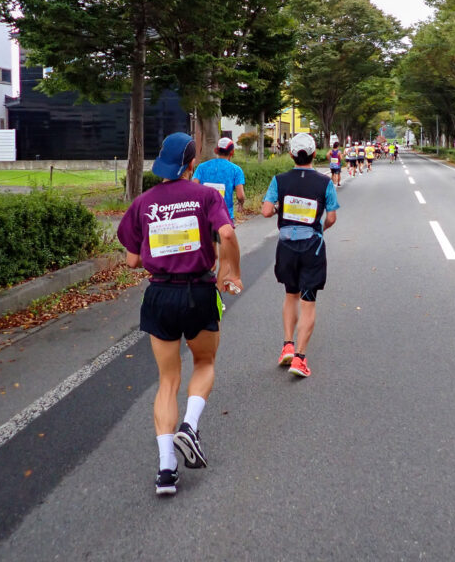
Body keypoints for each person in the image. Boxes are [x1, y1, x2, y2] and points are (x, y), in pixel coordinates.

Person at [117, 132, 243, 496]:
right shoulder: (205, 196)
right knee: (204, 362)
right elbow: (227, 234)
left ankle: (166, 469)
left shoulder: (143, 203)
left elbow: (132, 261)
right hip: (199, 291)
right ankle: (189, 426)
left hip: (159, 295)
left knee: (167, 380)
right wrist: (231, 272)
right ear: (192, 163)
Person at [261, 132, 338, 378]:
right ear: (314, 154)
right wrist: (319, 229)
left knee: (290, 295)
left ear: (291, 154)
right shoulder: (325, 183)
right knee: (308, 301)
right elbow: (332, 217)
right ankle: (300, 359)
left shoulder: (279, 180)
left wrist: (278, 208)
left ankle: (287, 345)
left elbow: (266, 211)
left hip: (286, 246)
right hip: (311, 246)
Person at [192, 136, 246, 222]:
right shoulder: (236, 170)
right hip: (225, 216)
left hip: (204, 215)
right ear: (232, 152)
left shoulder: (202, 167)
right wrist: (241, 204)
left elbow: (193, 188)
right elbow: (240, 195)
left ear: (216, 150)